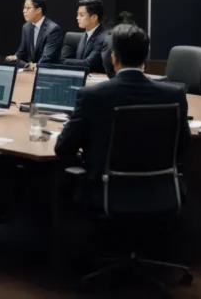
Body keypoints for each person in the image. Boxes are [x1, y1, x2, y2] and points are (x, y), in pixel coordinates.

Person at [55, 24, 189, 207]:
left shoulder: (92, 95)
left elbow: (63, 148)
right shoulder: (174, 95)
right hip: (162, 191)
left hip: (106, 191)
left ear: (113, 57)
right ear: (145, 58)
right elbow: (182, 147)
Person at [7, 0, 63, 69]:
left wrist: (34, 66)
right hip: (31, 70)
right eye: (24, 8)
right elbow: (22, 51)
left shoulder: (53, 29)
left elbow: (47, 58)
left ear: (38, 10)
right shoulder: (26, 27)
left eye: (28, 8)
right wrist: (15, 57)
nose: (24, 11)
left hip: (47, 70)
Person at [62, 0, 108, 74]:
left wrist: (63, 61)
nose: (77, 18)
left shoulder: (104, 37)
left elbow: (88, 64)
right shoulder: (84, 35)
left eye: (81, 15)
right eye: (77, 14)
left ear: (94, 17)